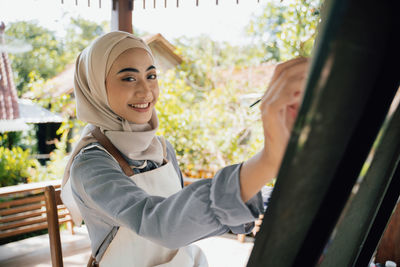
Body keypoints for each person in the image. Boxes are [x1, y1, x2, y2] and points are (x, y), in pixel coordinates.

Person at [61, 31, 309, 267]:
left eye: (151, 75)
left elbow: (182, 217)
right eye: (128, 78)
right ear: (96, 88)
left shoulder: (162, 149)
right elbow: (159, 223)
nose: (146, 90)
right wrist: (268, 160)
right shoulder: (91, 164)